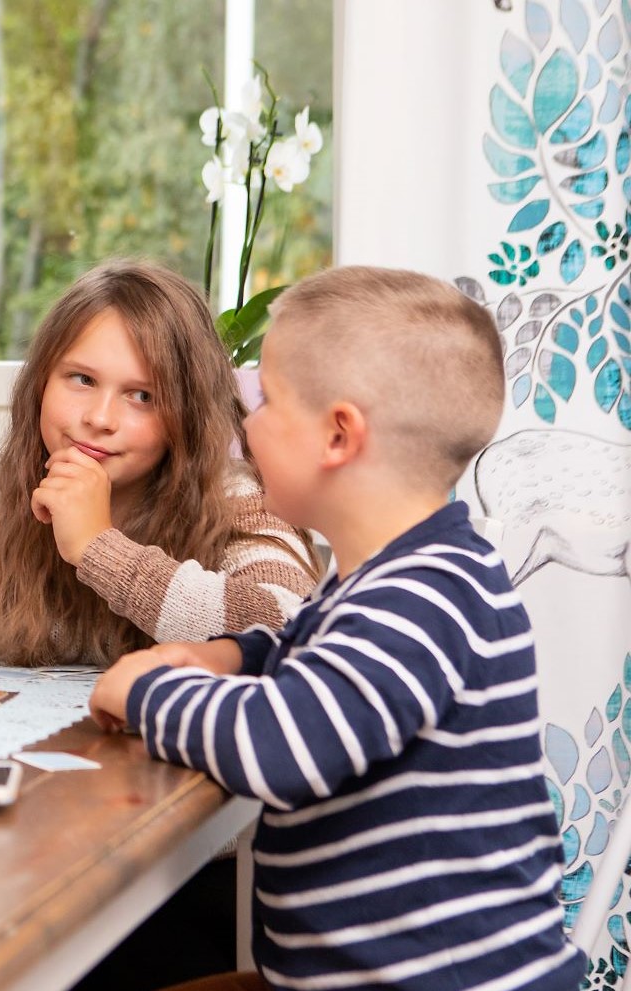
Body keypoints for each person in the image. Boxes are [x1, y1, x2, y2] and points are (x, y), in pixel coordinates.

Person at [89, 266, 584, 991]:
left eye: (266, 399)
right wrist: (231, 655)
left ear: (338, 435)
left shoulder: (421, 598)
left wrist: (145, 692)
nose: (245, 423)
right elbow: (317, 654)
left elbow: (284, 745)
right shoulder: (394, 576)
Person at [0, 260, 318, 692]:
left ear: (188, 413)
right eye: (82, 379)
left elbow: (293, 628)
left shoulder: (239, 501)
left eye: (142, 395)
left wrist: (98, 548)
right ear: (41, 382)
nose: (100, 418)